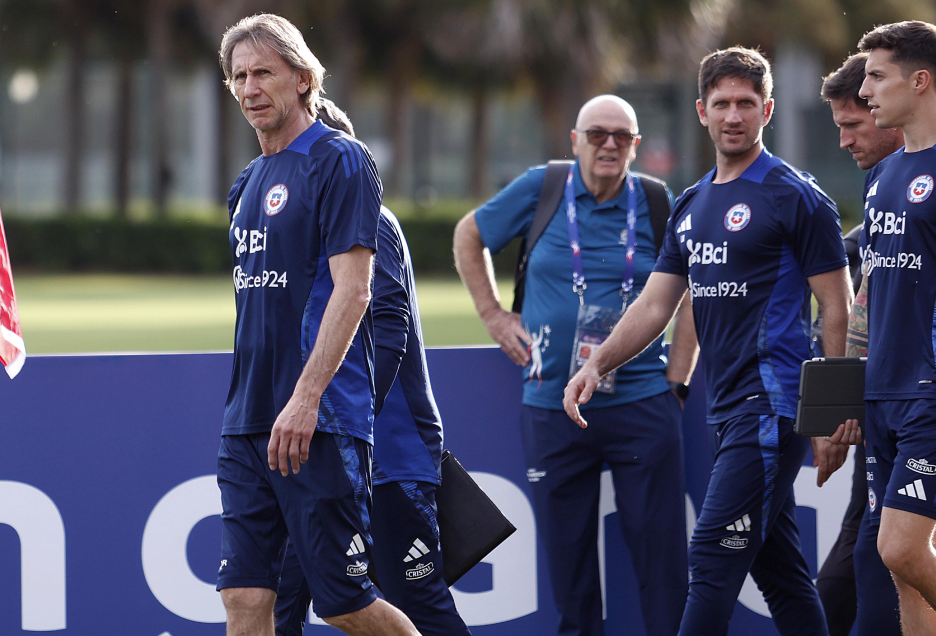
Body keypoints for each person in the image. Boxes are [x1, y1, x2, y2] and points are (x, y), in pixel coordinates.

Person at [564, 47, 859, 636]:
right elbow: (655, 304)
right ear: (701, 111)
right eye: (721, 103)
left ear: (766, 110)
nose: (733, 116)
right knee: (781, 576)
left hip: (772, 409)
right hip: (725, 410)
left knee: (711, 562)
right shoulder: (692, 205)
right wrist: (597, 364)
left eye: (745, 104)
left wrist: (834, 414)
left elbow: (838, 304)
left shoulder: (795, 195)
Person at [454, 94, 697, 636]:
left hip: (639, 404)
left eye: (621, 136)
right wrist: (493, 314)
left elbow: (691, 301)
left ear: (636, 145)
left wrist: (676, 383)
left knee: (663, 567)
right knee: (570, 570)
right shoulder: (542, 188)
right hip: (550, 407)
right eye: (596, 134)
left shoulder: (660, 202)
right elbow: (469, 234)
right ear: (574, 140)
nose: (608, 144)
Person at [215, 14, 420, 636]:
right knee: (246, 600)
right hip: (247, 422)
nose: (250, 88)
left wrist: (305, 399)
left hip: (318, 422)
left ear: (304, 79)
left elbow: (354, 294)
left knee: (343, 603)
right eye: (239, 76)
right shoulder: (246, 183)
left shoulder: (340, 160)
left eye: (264, 73)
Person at [273, 98, 471, 636]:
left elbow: (389, 329)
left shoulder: (370, 222)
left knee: (418, 604)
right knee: (274, 602)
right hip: (312, 450)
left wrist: (346, 422)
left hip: (387, 453)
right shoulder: (299, 230)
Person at [817, 51, 904, 636]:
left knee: (879, 564)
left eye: (854, 123)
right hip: (881, 409)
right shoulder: (882, 185)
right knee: (860, 569)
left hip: (914, 406)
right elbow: (864, 285)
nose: (845, 139)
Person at [856, 21, 936, 636]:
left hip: (929, 395)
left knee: (901, 548)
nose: (865, 90)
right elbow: (870, 293)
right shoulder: (882, 178)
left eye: (877, 75)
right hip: (882, 392)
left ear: (920, 79)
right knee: (906, 578)